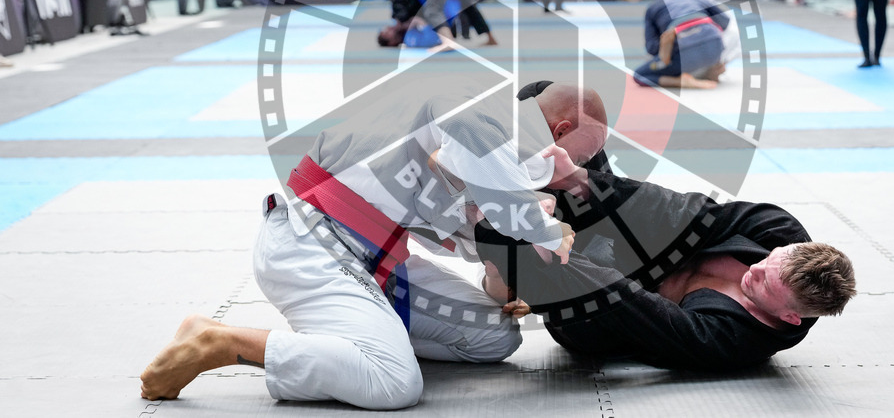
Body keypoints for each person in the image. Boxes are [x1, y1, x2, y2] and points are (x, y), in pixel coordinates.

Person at [141, 81, 608, 407]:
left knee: (494, 337)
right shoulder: (477, 112)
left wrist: (513, 287)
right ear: (562, 132)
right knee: (392, 383)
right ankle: (219, 342)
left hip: (377, 263)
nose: (569, 175)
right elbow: (504, 194)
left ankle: (362, 333)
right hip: (312, 242)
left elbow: (490, 266)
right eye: (579, 159)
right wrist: (544, 230)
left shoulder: (495, 162)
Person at [475, 156, 856, 371]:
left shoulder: (738, 342)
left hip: (601, 312)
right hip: (637, 247)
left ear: (790, 317)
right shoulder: (778, 230)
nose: (753, 271)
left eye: (764, 286)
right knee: (567, 115)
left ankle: (499, 271)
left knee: (496, 235)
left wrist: (560, 250)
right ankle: (510, 197)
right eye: (767, 263)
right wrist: (580, 181)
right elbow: (679, 212)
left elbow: (637, 309)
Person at [633, 0, 729, 90]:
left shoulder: (653, 7)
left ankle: (681, 81)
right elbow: (725, 21)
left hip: (684, 55)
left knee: (640, 75)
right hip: (715, 48)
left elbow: (652, 48)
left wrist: (670, 42)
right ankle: (707, 70)